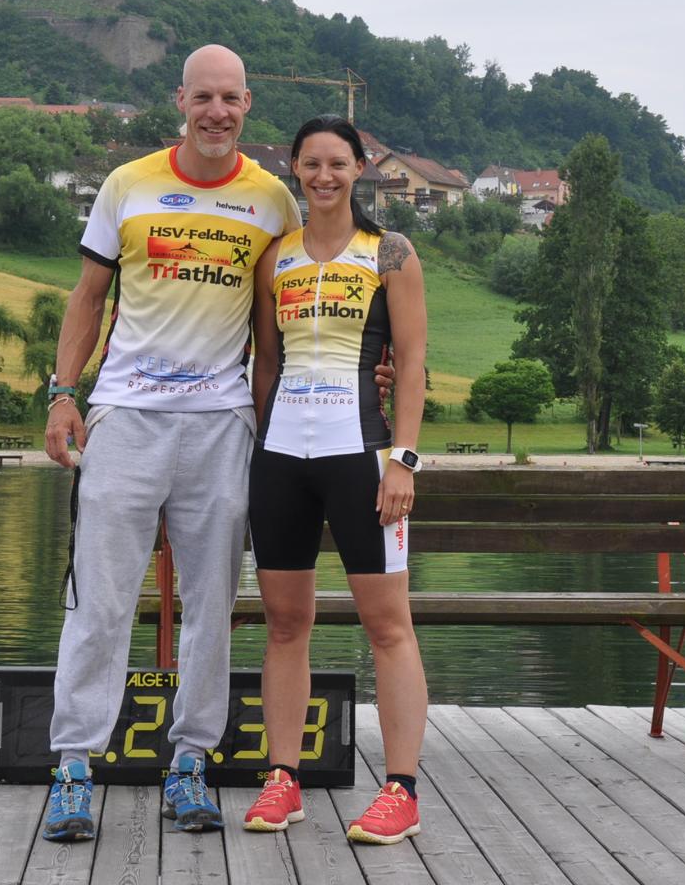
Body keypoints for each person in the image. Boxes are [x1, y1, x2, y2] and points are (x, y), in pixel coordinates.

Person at [39, 44, 301, 841]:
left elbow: (283, 324)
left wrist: (360, 377)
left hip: (221, 424)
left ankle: (190, 762)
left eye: (230, 98)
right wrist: (62, 395)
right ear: (179, 100)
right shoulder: (128, 184)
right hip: (125, 417)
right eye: (202, 97)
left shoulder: (273, 201)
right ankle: (73, 766)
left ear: (247, 104)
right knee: (99, 601)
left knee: (211, 608)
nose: (216, 112)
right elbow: (88, 298)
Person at [241, 115, 430, 845]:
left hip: (363, 458)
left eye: (338, 164)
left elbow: (410, 364)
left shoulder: (391, 253)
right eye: (312, 164)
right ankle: (282, 780)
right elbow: (265, 362)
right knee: (285, 624)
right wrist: (260, 451)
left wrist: (403, 460)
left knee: (388, 626)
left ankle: (401, 790)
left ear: (358, 170)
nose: (324, 176)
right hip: (282, 459)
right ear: (293, 168)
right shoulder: (274, 258)